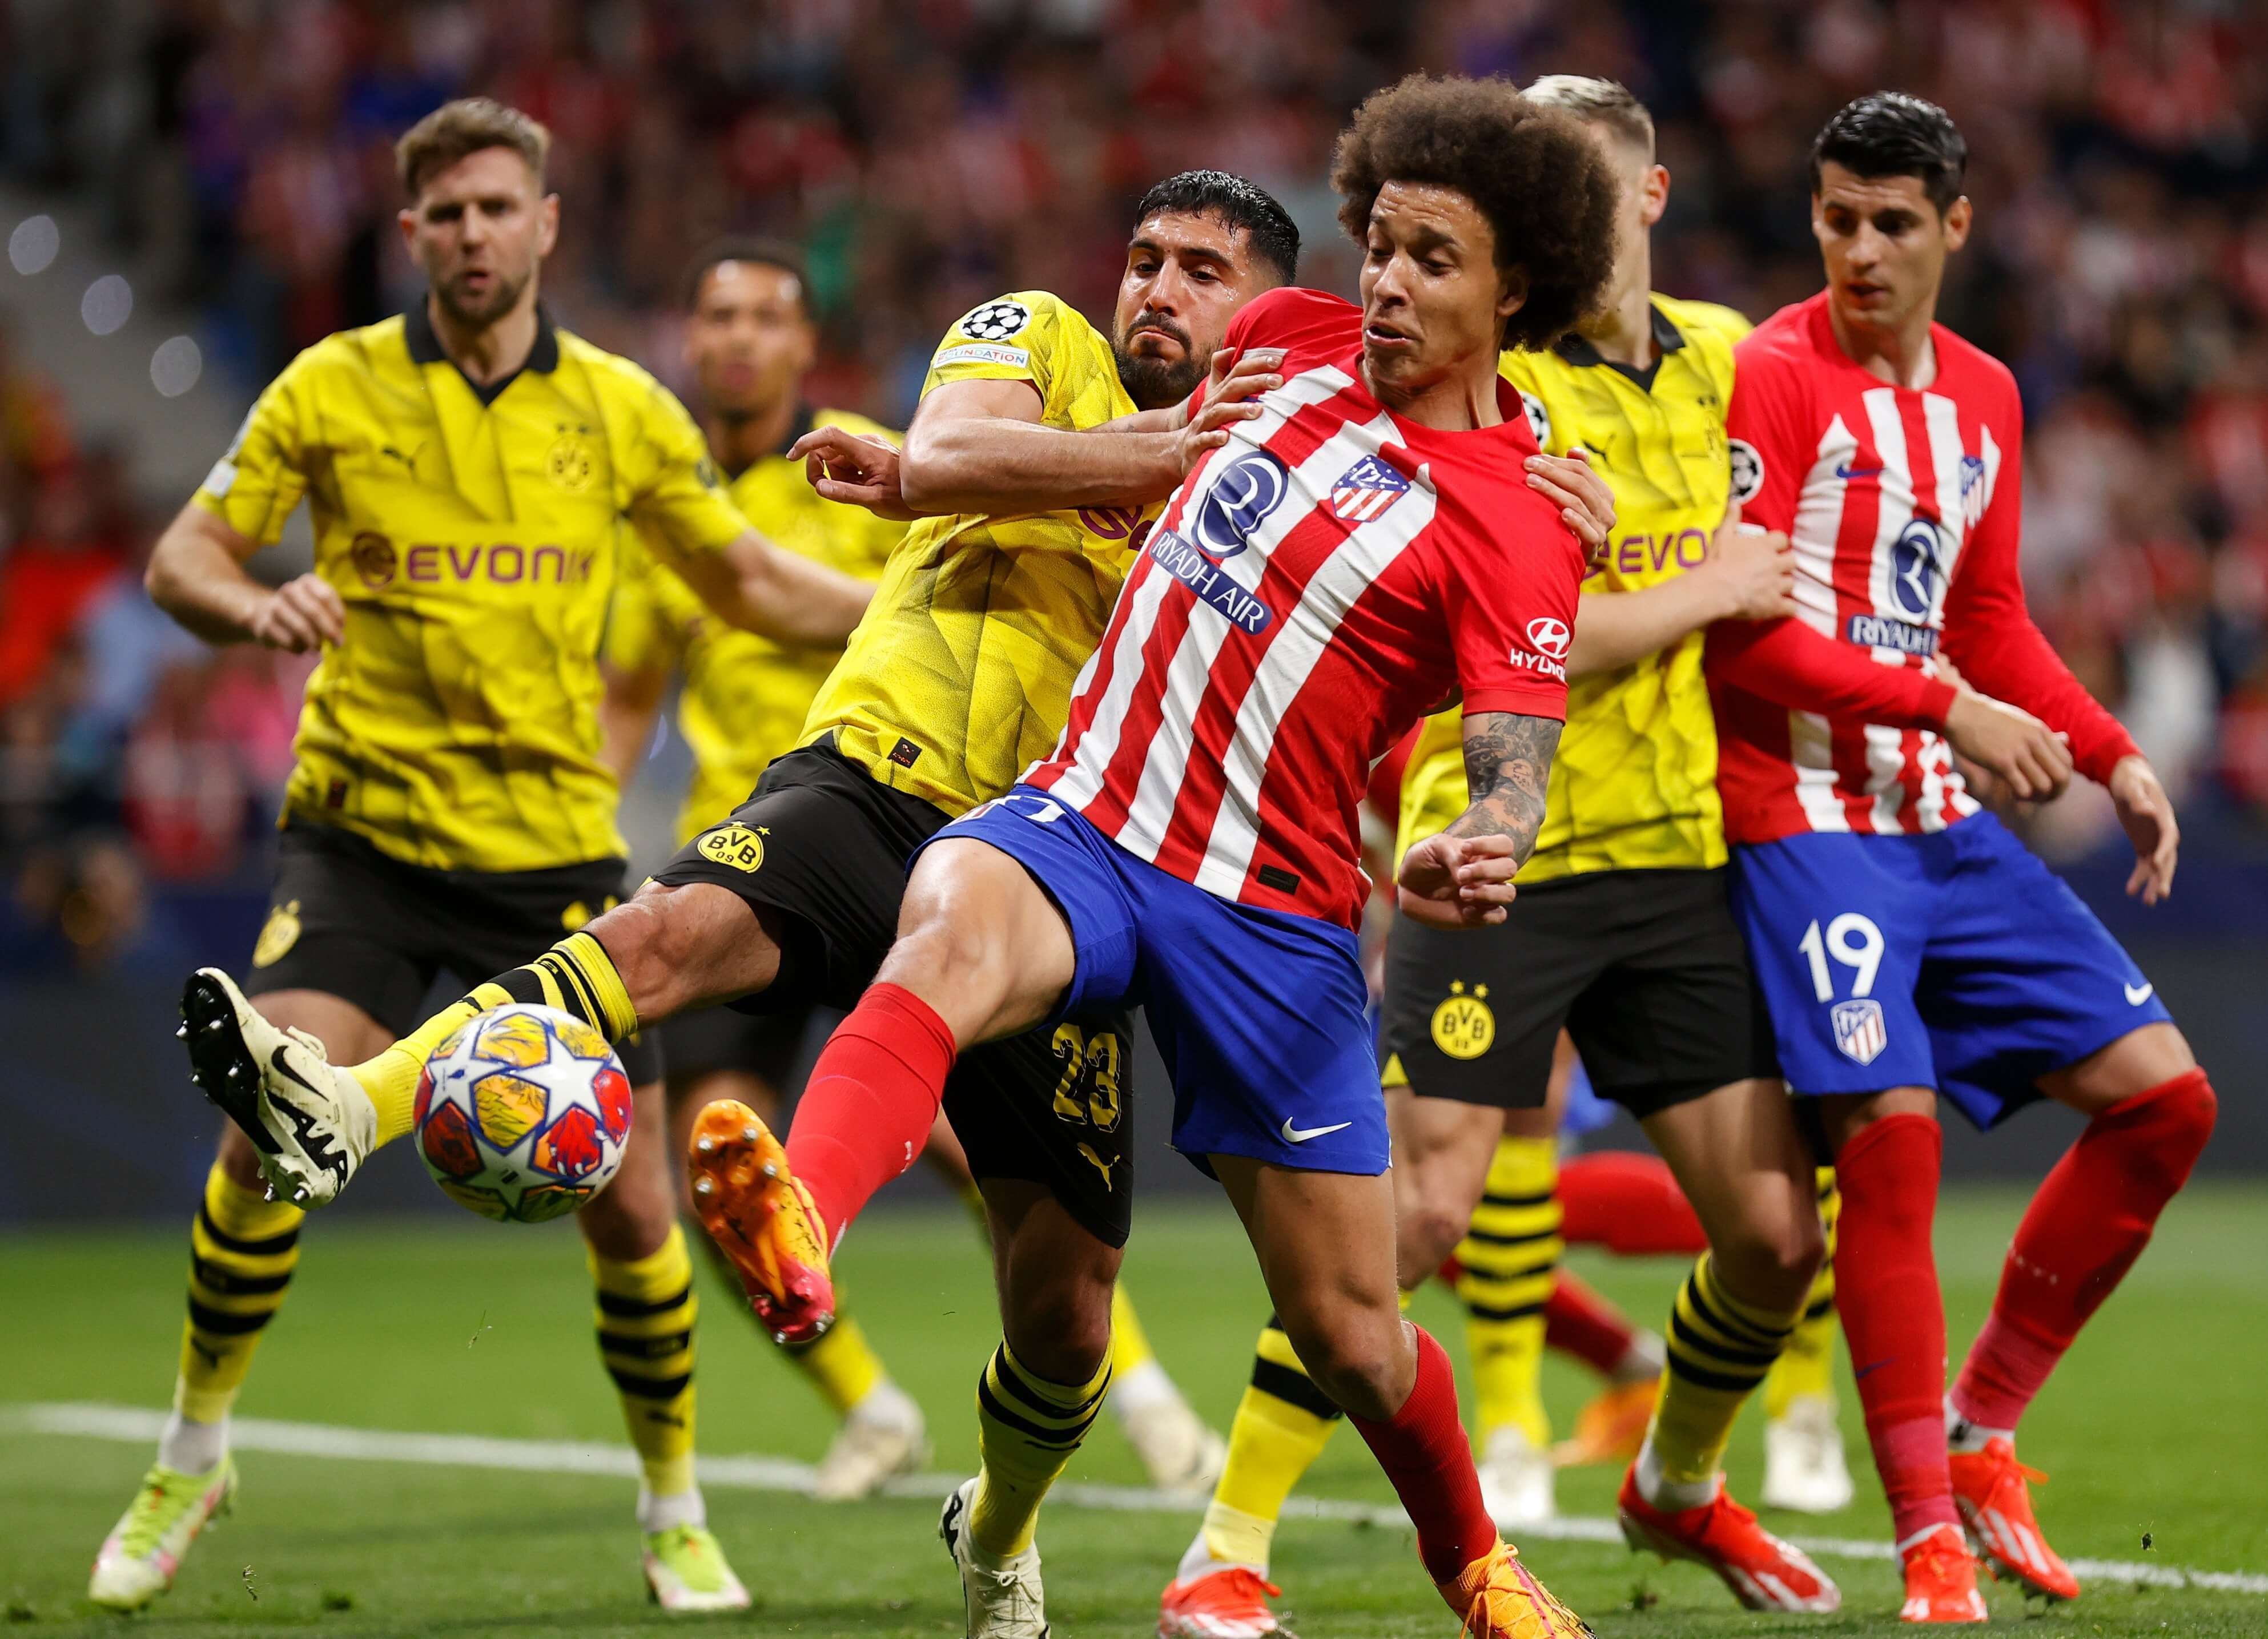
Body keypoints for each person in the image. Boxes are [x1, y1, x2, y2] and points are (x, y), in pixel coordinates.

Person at [692, 74, 1626, 1639]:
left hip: (1274, 915)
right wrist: (923, 475)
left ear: (1515, 289)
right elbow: (1128, 432)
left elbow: (1513, 749)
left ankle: (1473, 1559)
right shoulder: (1288, 341)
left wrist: (1488, 834)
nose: (1388, 284)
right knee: (949, 922)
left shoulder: (1525, 517)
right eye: (1380, 246)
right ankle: (802, 1218)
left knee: (1352, 1330)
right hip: (1096, 816)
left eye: (1434, 261)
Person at [1158, 75, 2066, 1636]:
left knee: (1774, 1237)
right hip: (1499, 849)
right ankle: (1226, 1545)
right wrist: (1701, 588)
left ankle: (1677, 1479)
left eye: (1577, 174)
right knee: (1416, 1219)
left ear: (1638, 197)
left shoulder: (1731, 363)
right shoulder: (1480, 384)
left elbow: (1801, 561)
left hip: (1676, 851)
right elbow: (1534, 640)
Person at [95, 98, 870, 1616]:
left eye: (498, 208)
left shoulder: (624, 410)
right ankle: (191, 1450)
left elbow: (752, 581)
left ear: (546, 224)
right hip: (365, 836)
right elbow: (185, 554)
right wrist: (252, 606)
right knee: (266, 1135)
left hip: (550, 857)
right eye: (446, 213)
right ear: (412, 233)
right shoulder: (331, 386)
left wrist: (908, 609)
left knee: (635, 1205)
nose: (472, 234)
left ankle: (673, 1507)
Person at [1624, 92, 2217, 1624]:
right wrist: (1948, 706)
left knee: (2164, 1101)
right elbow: (1743, 642)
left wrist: (2108, 750)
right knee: (1891, 1145)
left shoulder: (1987, 395)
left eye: (1893, 222)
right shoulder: (1771, 374)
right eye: (1838, 219)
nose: (1862, 250)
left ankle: (1980, 1426)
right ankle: (1925, 1543)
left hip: (1936, 822)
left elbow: (1988, 618)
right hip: (1802, 821)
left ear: (1954, 225)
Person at [603, 238, 1227, 1500]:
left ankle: (1145, 1393)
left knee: (949, 1141)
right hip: (764, 833)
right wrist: (603, 826)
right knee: (710, 1159)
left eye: (765, 317)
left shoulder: (867, 459)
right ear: (691, 340)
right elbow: (628, 700)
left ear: (802, 344)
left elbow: (935, 568)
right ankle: (869, 1405)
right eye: (717, 316)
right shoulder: (679, 515)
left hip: (909, 811)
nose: (738, 340)